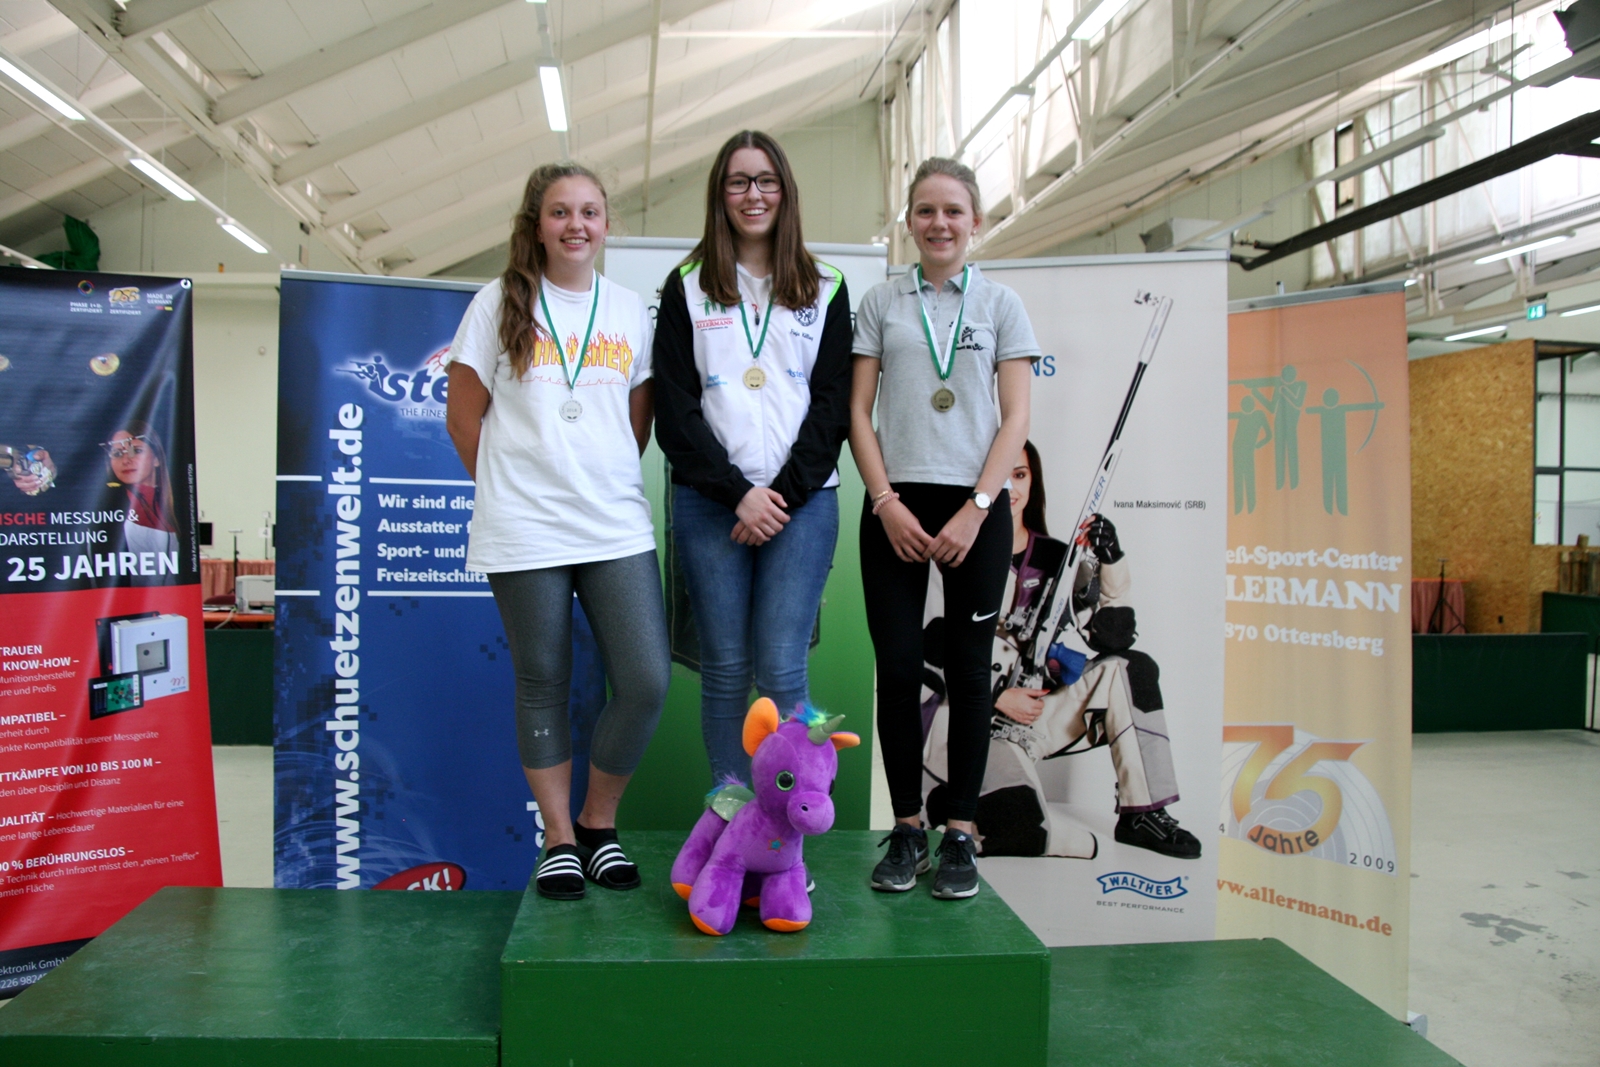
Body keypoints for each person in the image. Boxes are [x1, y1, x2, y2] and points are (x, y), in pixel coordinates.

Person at [444, 162, 671, 901]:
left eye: (590, 212)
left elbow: (636, 423)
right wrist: (512, 489)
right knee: (543, 680)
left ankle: (599, 824)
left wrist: (592, 476)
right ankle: (560, 840)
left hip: (613, 524)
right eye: (561, 212)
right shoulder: (496, 302)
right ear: (537, 224)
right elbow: (463, 419)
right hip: (524, 527)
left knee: (645, 680)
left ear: (606, 224)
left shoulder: (629, 310)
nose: (577, 225)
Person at [850, 156, 1036, 900]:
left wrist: (979, 506)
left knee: (967, 673)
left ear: (975, 221)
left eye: (953, 211)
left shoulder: (1001, 304)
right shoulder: (881, 302)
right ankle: (906, 828)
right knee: (898, 670)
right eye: (925, 210)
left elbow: (1016, 417)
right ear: (909, 221)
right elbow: (856, 411)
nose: (939, 223)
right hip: (894, 507)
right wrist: (885, 500)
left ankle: (959, 831)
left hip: (975, 512)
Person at [653, 131, 853, 787]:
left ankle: (789, 824)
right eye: (738, 181)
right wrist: (739, 494)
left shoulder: (827, 286)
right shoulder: (686, 286)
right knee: (726, 669)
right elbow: (675, 412)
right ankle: (731, 814)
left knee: (783, 667)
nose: (753, 194)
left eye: (766, 180)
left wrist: (779, 498)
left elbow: (833, 406)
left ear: (785, 191)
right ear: (720, 194)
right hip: (712, 504)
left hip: (804, 504)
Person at [921, 444, 1201, 860]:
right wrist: (996, 696)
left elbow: (1114, 637)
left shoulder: (1056, 558)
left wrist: (1111, 561)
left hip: (1038, 716)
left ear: (1033, 482)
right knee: (1023, 827)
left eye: (1020, 475)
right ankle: (961, 811)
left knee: (1131, 669)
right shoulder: (950, 551)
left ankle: (1142, 813)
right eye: (1000, 475)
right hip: (967, 719)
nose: (1010, 488)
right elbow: (926, 650)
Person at [102, 420, 179, 584]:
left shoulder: (174, 508)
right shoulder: (107, 509)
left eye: (136, 451)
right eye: (117, 454)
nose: (126, 460)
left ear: (156, 459)